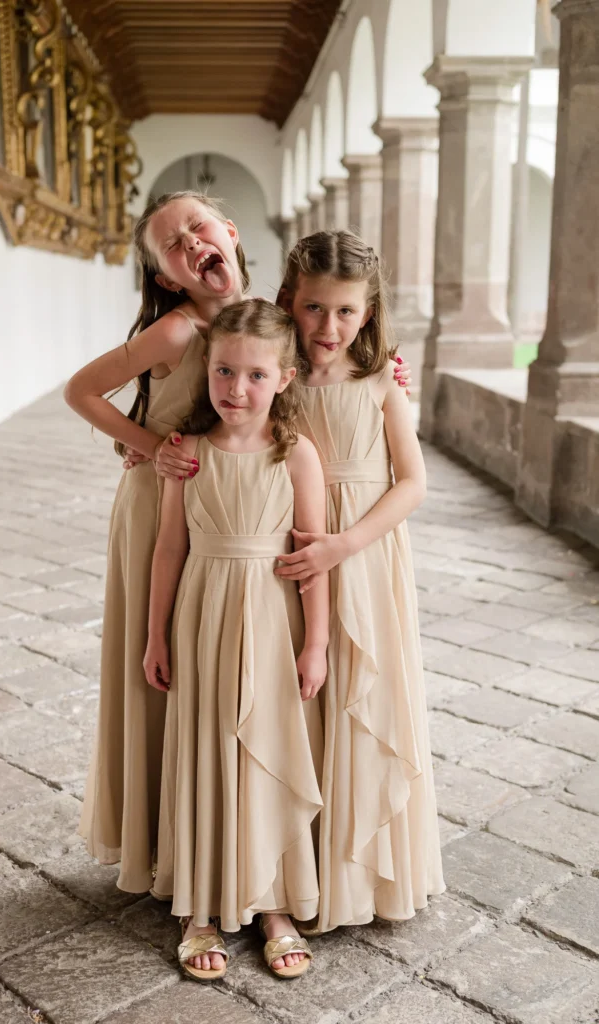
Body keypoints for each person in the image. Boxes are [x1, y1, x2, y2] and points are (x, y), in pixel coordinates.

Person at [63, 190, 249, 892]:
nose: (192, 241)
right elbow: (81, 391)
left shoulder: (269, 323)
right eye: (174, 244)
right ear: (169, 277)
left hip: (230, 519)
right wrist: (150, 445)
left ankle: (229, 828)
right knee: (162, 667)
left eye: (199, 227)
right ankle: (163, 842)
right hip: (157, 509)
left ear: (228, 233)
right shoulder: (175, 333)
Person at [143, 299, 328, 981]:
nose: (235, 388)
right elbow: (169, 547)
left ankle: (275, 903)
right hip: (202, 613)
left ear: (284, 377)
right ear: (208, 368)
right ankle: (201, 907)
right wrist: (155, 635)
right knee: (206, 745)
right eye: (224, 370)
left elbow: (312, 554)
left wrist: (318, 643)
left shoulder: (297, 453)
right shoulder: (185, 452)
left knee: (268, 749)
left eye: (255, 375)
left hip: (273, 617)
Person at [275, 230, 445, 934]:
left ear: (370, 313)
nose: (329, 328)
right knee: (301, 694)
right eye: (315, 309)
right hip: (291, 545)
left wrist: (343, 545)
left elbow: (413, 483)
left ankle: (359, 870)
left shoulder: (380, 382)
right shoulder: (274, 374)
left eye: (347, 312)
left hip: (364, 550)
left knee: (359, 695)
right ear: (290, 300)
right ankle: (295, 863)